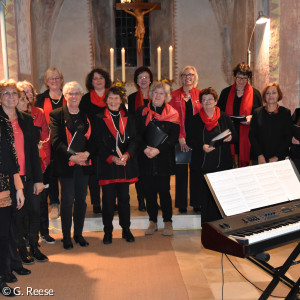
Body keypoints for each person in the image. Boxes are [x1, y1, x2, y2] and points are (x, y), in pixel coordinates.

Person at [0, 79, 45, 266]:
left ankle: (34, 246)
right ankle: (20, 252)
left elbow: (34, 153)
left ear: (19, 98)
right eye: (6, 93)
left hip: (28, 174)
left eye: (14, 94)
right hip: (7, 177)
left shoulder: (26, 120)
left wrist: (38, 179)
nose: (11, 97)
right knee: (15, 218)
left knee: (34, 211)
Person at [50, 81, 93, 250]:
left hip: (84, 163)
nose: (74, 96)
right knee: (67, 200)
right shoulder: (57, 114)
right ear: (65, 96)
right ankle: (66, 236)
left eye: (77, 93)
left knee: (81, 201)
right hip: (66, 164)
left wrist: (87, 154)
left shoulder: (87, 114)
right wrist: (72, 156)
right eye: (70, 93)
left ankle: (79, 234)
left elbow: (94, 139)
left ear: (81, 96)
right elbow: (55, 141)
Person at [95, 87, 139, 245]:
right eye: (110, 98)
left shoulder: (129, 117)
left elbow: (134, 140)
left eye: (116, 98)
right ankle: (108, 231)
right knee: (107, 201)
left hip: (124, 164)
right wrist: (112, 158)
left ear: (122, 100)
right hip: (109, 165)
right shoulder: (99, 118)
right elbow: (97, 144)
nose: (113, 101)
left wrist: (127, 155)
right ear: (106, 100)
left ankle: (126, 229)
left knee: (124, 200)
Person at [186, 88, 237, 224]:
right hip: (202, 163)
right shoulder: (195, 119)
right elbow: (190, 139)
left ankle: (221, 225)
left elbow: (235, 136)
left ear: (216, 101)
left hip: (221, 163)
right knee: (205, 197)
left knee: (220, 196)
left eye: (210, 99)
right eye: (204, 99)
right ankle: (207, 227)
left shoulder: (224, 117)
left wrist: (230, 138)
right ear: (201, 102)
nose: (207, 101)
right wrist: (201, 146)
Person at [136, 82, 180, 236]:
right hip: (146, 157)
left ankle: (168, 222)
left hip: (163, 159)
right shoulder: (142, 112)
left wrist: (157, 150)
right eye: (155, 92)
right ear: (151, 94)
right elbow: (136, 135)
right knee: (149, 192)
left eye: (161, 93)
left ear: (166, 96)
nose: (158, 95)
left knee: (164, 191)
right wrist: (145, 149)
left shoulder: (172, 113)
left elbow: (173, 138)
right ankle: (152, 221)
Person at [17, 81, 55, 245]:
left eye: (29, 92)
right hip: (21, 168)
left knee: (41, 201)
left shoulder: (38, 112)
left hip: (39, 163)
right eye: (23, 93)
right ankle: (26, 238)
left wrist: (44, 161)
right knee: (25, 204)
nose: (27, 95)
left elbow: (45, 139)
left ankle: (44, 232)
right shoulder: (13, 116)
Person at [169, 65, 201, 213]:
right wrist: (181, 137)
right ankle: (181, 204)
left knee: (196, 170)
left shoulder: (201, 94)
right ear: (181, 78)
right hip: (179, 138)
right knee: (181, 171)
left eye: (191, 75)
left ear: (195, 78)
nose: (188, 77)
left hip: (197, 139)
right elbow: (172, 118)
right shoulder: (173, 95)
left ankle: (196, 202)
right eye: (185, 75)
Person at [79, 68, 112, 215]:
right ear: (91, 82)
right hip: (91, 141)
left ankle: (110, 202)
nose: (98, 81)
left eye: (101, 78)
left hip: (110, 141)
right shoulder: (85, 99)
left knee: (109, 173)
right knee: (93, 175)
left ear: (105, 80)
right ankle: (96, 203)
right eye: (95, 78)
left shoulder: (112, 96)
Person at [218, 62, 262, 167]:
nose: (241, 81)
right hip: (229, 133)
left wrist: (252, 118)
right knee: (228, 163)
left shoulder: (255, 93)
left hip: (248, 134)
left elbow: (260, 114)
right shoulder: (226, 92)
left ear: (248, 79)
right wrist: (227, 119)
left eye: (244, 78)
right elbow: (218, 112)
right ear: (234, 77)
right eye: (238, 78)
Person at [0, 113, 25, 297]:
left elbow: (12, 156)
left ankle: (0, 279)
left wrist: (19, 188)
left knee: (2, 237)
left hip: (3, 190)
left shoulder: (3, 123)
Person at [35, 67, 65, 220]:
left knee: (67, 173)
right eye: (51, 79)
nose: (54, 81)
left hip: (66, 141)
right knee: (51, 173)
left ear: (61, 80)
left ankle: (67, 203)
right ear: (47, 82)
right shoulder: (40, 98)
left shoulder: (69, 95)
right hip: (48, 142)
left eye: (57, 78)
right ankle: (54, 204)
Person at [128, 66, 153, 211]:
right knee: (140, 172)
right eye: (140, 78)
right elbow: (130, 120)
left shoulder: (156, 95)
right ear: (136, 81)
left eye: (146, 77)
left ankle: (153, 200)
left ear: (150, 80)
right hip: (138, 139)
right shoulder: (132, 98)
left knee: (152, 172)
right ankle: (141, 200)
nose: (143, 80)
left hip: (153, 139)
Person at [249, 83, 292, 164]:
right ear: (264, 96)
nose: (270, 95)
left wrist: (277, 156)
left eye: (274, 92)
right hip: (259, 158)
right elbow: (252, 135)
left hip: (279, 158)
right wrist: (259, 155)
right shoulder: (257, 112)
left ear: (278, 95)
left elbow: (288, 137)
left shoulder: (285, 113)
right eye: (268, 93)